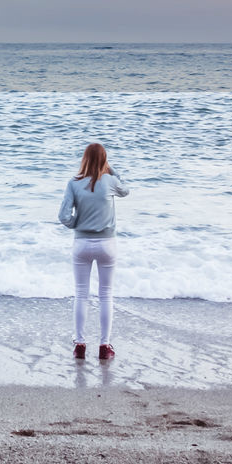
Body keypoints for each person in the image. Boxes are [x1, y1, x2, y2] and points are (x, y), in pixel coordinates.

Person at [57, 142, 129, 361]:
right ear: (104, 161)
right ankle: (104, 347)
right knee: (106, 294)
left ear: (84, 159)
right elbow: (126, 190)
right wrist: (111, 169)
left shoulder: (74, 182)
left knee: (81, 294)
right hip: (107, 244)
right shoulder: (110, 182)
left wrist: (78, 223)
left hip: (82, 244)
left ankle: (79, 344)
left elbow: (63, 216)